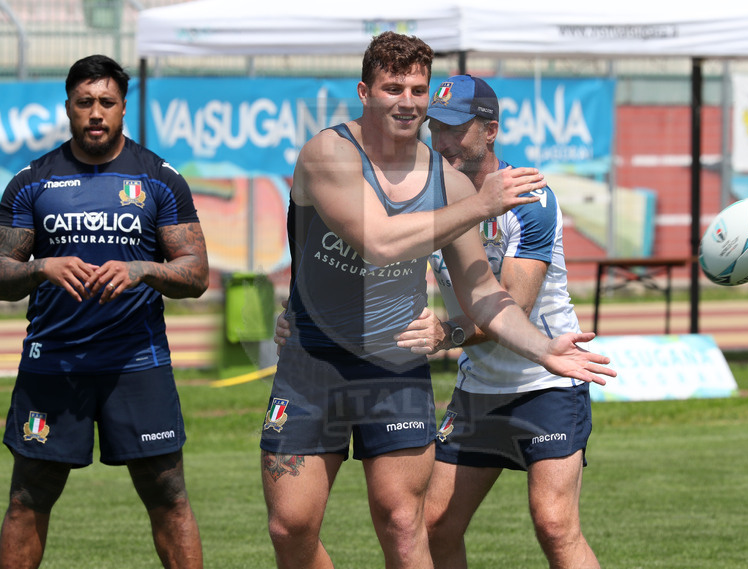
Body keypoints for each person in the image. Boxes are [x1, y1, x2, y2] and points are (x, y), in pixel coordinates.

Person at [262, 32, 614, 569]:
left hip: (395, 366)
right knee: (291, 528)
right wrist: (479, 206)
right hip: (312, 363)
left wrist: (545, 350)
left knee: (407, 525)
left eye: (417, 89)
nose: (407, 101)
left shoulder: (449, 184)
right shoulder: (328, 152)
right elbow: (379, 242)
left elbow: (482, 293)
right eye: (393, 87)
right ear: (364, 91)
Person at [0, 54, 207, 569]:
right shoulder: (32, 181)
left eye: (106, 103)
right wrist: (41, 266)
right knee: (27, 499)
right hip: (54, 365)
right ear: (68, 106)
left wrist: (143, 271)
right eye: (84, 102)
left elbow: (197, 273)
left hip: (137, 365)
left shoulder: (158, 178)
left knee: (169, 498)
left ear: (122, 107)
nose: (96, 113)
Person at [396, 75, 602, 568]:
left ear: (489, 131)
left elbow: (511, 306)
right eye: (435, 128)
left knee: (555, 525)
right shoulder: (429, 200)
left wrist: (446, 333)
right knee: (435, 526)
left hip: (547, 381)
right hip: (478, 391)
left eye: (455, 129)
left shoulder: (529, 197)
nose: (441, 141)